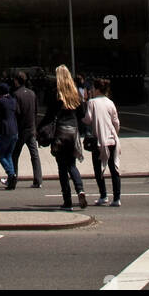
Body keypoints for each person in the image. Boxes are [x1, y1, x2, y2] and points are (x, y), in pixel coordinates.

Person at [39, 64, 87, 211]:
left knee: (62, 167)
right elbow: (82, 114)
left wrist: (40, 129)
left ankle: (67, 200)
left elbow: (49, 115)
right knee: (72, 164)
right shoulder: (76, 94)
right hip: (73, 131)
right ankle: (80, 189)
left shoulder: (56, 94)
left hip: (60, 132)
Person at [84, 77, 121, 206]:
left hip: (99, 140)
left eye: (93, 88)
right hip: (111, 139)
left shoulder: (91, 103)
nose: (91, 91)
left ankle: (103, 195)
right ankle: (117, 198)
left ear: (97, 89)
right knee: (114, 169)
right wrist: (115, 133)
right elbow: (116, 122)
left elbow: (88, 119)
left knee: (98, 169)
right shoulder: (110, 102)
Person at [11, 71, 43, 188]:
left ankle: (13, 178)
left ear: (16, 81)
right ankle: (38, 179)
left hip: (21, 129)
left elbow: (17, 112)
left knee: (15, 154)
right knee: (34, 154)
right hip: (31, 128)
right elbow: (35, 111)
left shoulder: (16, 95)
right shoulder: (32, 93)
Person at [0, 82, 18, 190]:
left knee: (0, 155)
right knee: (8, 154)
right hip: (14, 130)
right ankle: (11, 178)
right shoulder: (13, 100)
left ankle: (11, 174)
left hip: (6, 131)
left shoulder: (1, 101)